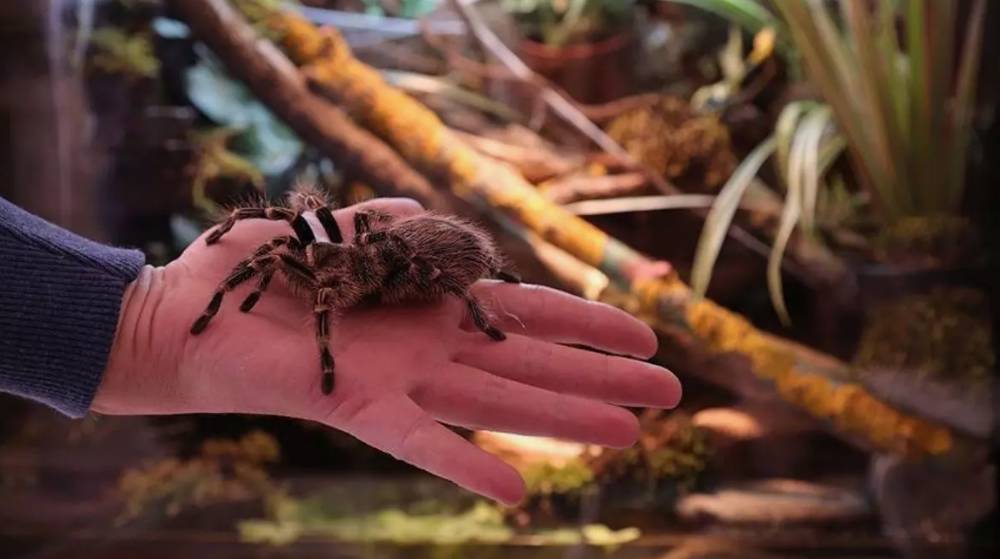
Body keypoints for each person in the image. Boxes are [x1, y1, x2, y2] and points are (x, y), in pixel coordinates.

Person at [0, 195, 681, 505]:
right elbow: (283, 241)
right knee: (274, 247)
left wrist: (477, 302)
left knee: (427, 272)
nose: (317, 272)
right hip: (390, 254)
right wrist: (160, 315)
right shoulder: (320, 259)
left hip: (428, 257)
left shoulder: (381, 267)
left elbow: (440, 270)